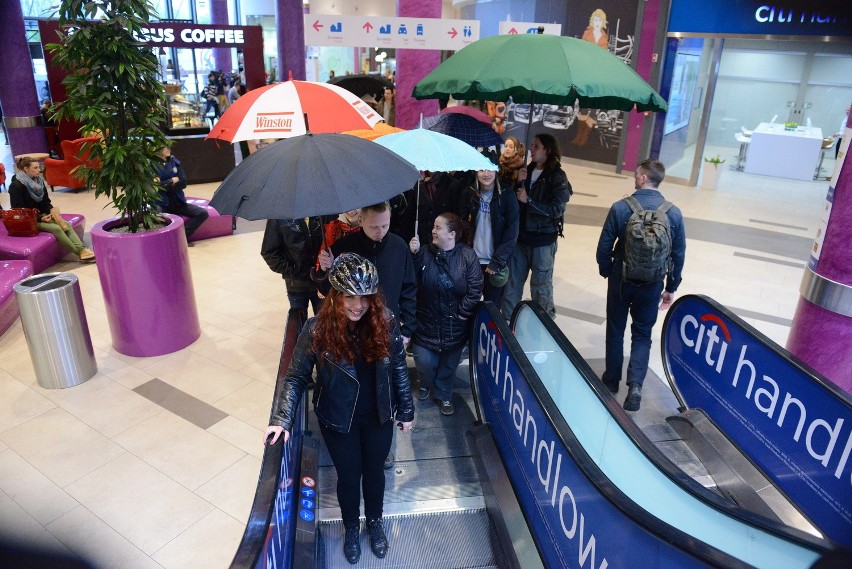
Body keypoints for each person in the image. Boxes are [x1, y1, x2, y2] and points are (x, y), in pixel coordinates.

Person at [264, 253, 414, 565]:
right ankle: (350, 527)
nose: (357, 305)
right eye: (349, 296)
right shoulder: (316, 329)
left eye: (364, 297)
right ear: (336, 296)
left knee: (374, 474)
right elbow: (295, 376)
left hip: (378, 417)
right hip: (338, 420)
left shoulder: (385, 321)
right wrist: (282, 419)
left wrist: (406, 409)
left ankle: (374, 523)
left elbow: (398, 366)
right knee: (349, 477)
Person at [318, 202, 417, 470]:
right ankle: (352, 445)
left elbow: (409, 289)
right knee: (357, 390)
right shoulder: (343, 247)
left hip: (386, 332)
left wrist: (407, 329)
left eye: (385, 225)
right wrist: (323, 269)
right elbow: (327, 291)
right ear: (360, 221)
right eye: (374, 226)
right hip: (349, 334)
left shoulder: (398, 247)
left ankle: (383, 449)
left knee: (386, 391)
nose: (380, 232)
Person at [595, 159, 686, 411]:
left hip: (621, 279)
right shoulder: (674, 213)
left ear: (644, 178)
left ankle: (612, 380)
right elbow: (678, 255)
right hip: (652, 283)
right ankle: (635, 386)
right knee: (642, 333)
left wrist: (608, 271)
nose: (635, 178)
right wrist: (671, 286)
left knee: (615, 327)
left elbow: (604, 247)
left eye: (637, 175)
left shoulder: (620, 208)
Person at [408, 213, 482, 415]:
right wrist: (412, 256)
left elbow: (475, 288)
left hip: (455, 327)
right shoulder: (423, 253)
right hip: (425, 325)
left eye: (438, 227)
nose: (433, 230)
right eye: (433, 226)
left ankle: (444, 394)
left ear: (452, 234)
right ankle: (424, 382)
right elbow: (410, 282)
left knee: (448, 367)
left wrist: (462, 313)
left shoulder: (467, 256)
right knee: (425, 363)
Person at [502, 134, 572, 319]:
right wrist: (518, 181)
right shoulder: (526, 170)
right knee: (512, 283)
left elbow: (557, 208)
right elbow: (514, 201)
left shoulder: (557, 176)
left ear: (547, 150)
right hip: (520, 238)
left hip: (542, 240)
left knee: (541, 286)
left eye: (537, 146)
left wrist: (529, 200)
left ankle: (544, 324)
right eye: (532, 145)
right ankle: (509, 324)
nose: (531, 149)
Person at [9, 157, 95, 262]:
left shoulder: (39, 182)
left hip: (43, 215)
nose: (39, 170)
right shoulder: (16, 186)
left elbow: (46, 202)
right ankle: (80, 253)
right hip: (28, 220)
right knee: (57, 228)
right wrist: (41, 217)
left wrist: (51, 213)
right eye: (35, 168)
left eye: (39, 167)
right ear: (26, 168)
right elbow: (19, 210)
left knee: (66, 224)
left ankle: (83, 251)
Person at [457, 169, 519, 306]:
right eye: (481, 170)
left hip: (494, 263)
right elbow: (461, 228)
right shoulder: (469, 193)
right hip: (472, 262)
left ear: (497, 171)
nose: (486, 174)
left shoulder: (507, 196)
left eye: (490, 169)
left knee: (492, 309)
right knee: (468, 306)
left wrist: (497, 261)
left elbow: (512, 233)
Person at [261, 216, 326, 317]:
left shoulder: (321, 212)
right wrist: (292, 271)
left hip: (321, 281)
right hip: (296, 284)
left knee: (324, 323)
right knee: (297, 325)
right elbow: (269, 252)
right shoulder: (280, 216)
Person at [154, 147, 209, 241]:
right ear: (158, 150)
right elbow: (157, 186)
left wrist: (166, 184)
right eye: (164, 147)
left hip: (178, 202)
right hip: (162, 204)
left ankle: (181, 238)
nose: (168, 149)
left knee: (202, 213)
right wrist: (172, 180)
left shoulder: (175, 162)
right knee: (157, 217)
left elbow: (183, 182)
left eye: (168, 147)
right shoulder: (153, 166)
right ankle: (162, 241)